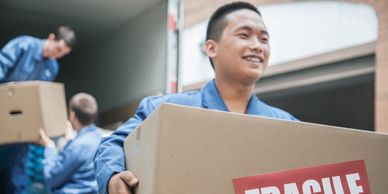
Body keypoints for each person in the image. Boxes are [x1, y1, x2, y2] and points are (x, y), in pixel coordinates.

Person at [94, 2, 298, 194]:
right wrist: (113, 178)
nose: (257, 46)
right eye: (244, 35)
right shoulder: (165, 109)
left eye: (264, 39)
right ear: (211, 48)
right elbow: (112, 144)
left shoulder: (287, 125)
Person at [0, 26, 76, 194]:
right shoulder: (23, 45)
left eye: (62, 53)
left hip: (24, 120)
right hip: (2, 110)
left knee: (19, 165)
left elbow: (41, 98)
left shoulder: (52, 67)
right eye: (58, 49)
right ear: (50, 37)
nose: (58, 55)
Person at [38, 93, 102, 194]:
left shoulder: (77, 146)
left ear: (72, 115)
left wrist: (50, 148)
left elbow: (52, 178)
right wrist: (70, 141)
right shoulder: (102, 139)